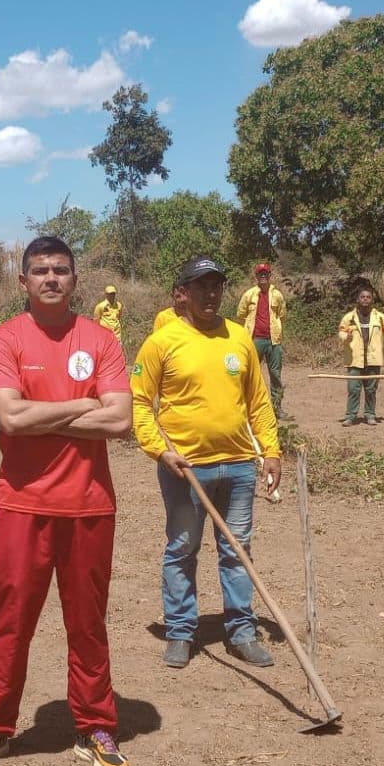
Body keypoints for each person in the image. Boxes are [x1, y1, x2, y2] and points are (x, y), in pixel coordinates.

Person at [0, 237, 134, 766]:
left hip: (89, 506)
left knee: (89, 623)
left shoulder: (102, 340)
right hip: (20, 507)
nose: (51, 278)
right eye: (40, 271)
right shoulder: (4, 340)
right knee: (10, 622)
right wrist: (85, 403)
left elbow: (120, 421)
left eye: (60, 270)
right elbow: (9, 419)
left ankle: (96, 724)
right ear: (23, 282)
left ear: (75, 279)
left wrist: (41, 413)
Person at [132, 256, 282, 670]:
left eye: (216, 285)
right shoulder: (162, 341)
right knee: (182, 548)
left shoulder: (239, 338)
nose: (211, 294)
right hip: (185, 469)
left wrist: (270, 450)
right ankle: (181, 632)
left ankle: (242, 632)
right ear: (183, 293)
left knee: (237, 550)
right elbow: (141, 403)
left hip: (238, 466)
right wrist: (159, 450)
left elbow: (258, 401)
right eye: (202, 286)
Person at [235, 263, 290, 419]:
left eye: (265, 273)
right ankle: (246, 408)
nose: (263, 276)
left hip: (274, 341)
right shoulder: (249, 294)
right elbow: (240, 314)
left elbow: (282, 314)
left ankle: (277, 408)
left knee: (275, 375)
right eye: (260, 274)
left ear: (270, 275)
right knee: (249, 373)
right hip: (254, 339)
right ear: (256, 276)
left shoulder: (278, 295)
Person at [337, 287, 384, 426]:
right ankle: (351, 416)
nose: (365, 299)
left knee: (371, 390)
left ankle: (370, 415)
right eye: (363, 297)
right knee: (354, 389)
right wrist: (345, 336)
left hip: (373, 359)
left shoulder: (380, 317)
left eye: (368, 297)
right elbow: (341, 333)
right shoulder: (349, 317)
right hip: (354, 359)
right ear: (357, 299)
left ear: (372, 300)